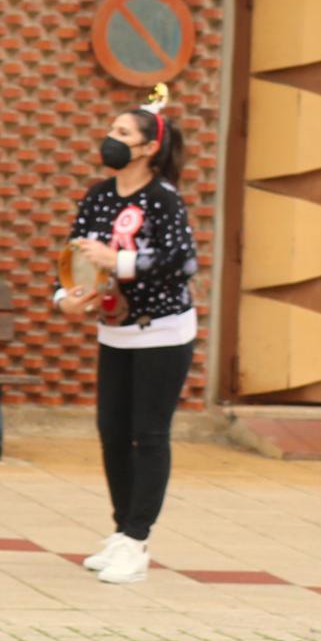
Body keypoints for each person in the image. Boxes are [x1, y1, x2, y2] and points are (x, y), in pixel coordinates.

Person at [65, 91, 200, 586]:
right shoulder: (100, 195)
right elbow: (76, 251)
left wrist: (117, 262)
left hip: (163, 332)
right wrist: (68, 295)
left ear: (147, 148)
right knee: (112, 433)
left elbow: (182, 262)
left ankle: (138, 541)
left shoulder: (164, 198)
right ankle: (122, 532)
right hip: (115, 332)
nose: (111, 139)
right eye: (112, 130)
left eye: (123, 134)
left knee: (150, 434)